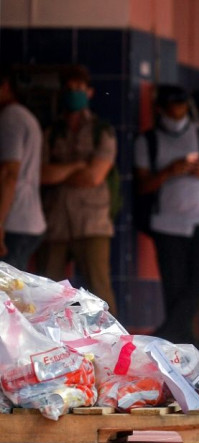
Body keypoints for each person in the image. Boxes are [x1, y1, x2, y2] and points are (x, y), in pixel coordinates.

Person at [133, 85, 199, 345]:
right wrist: (169, 171)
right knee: (174, 287)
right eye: (172, 105)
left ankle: (165, 333)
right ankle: (184, 343)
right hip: (167, 223)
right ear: (161, 108)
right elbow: (141, 185)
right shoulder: (147, 141)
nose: (178, 110)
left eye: (182, 104)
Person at [39, 65, 117, 314]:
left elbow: (94, 176)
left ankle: (114, 345)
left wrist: (61, 172)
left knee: (99, 290)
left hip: (92, 222)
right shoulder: (51, 131)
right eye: (70, 89)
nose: (74, 93)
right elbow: (42, 175)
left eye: (79, 89)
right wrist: (77, 165)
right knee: (48, 292)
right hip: (56, 221)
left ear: (90, 92)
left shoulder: (101, 131)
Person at [0, 67, 46, 270]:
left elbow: (10, 173)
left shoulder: (11, 118)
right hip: (26, 220)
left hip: (14, 221)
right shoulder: (24, 116)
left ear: (6, 86)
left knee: (7, 292)